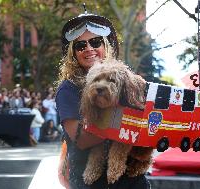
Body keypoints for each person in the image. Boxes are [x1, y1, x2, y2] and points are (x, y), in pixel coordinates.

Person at [55, 10, 150, 189]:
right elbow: (81, 139)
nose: (89, 49)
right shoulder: (68, 89)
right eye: (81, 45)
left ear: (106, 45)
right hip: (91, 183)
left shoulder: (127, 79)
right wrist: (129, 123)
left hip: (132, 181)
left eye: (95, 42)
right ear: (73, 53)